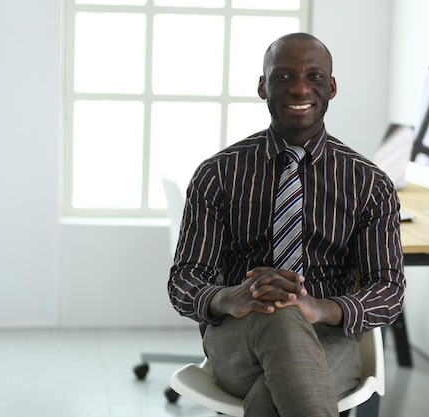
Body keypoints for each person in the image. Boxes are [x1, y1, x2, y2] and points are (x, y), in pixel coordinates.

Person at [168, 32, 405, 417]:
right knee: (279, 315)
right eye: (282, 76)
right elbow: (184, 280)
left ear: (331, 86)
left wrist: (319, 308)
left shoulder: (369, 183)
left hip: (331, 339)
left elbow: (390, 291)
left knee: (273, 397)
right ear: (263, 86)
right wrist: (231, 297)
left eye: (313, 76)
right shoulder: (218, 174)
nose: (299, 87)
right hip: (238, 337)